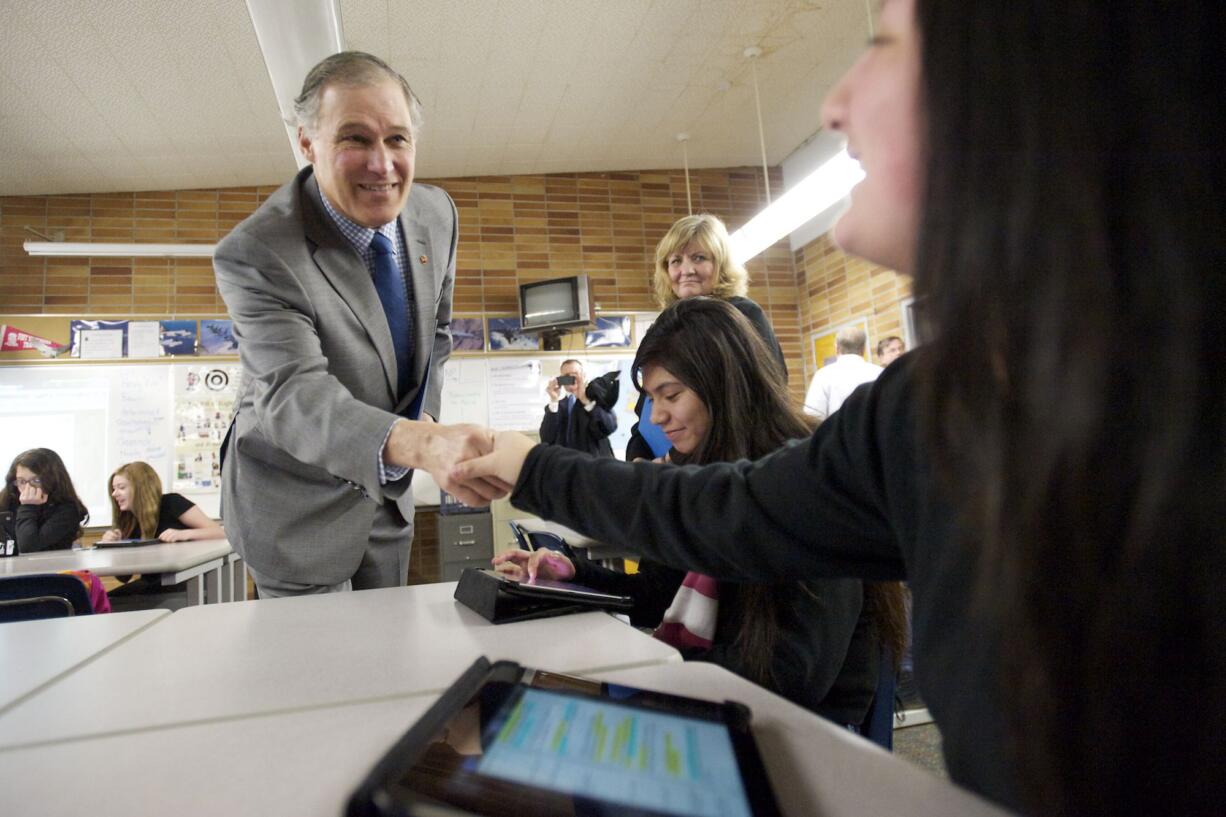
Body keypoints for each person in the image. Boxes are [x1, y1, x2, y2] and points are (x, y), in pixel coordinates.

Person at [451, 1, 1224, 814]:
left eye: (884, 49)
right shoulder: (926, 412)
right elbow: (728, 513)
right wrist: (535, 474)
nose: (834, 105)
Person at [498, 297, 906, 729]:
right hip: (731, 718)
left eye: (671, 395)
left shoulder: (797, 485)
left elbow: (787, 680)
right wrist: (576, 575)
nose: (657, 417)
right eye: (652, 398)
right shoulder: (698, 475)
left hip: (795, 743)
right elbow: (657, 594)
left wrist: (638, 693)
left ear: (724, 386)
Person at [213, 51, 496, 597]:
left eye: (397, 138)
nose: (382, 164)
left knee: (388, 654)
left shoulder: (437, 216)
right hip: (291, 505)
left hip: (386, 495)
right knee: (320, 673)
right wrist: (421, 445)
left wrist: (428, 422)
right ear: (306, 143)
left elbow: (436, 335)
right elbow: (295, 394)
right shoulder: (257, 253)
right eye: (355, 139)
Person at [626, 213, 786, 461]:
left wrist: (672, 459)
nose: (686, 270)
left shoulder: (742, 316)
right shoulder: (665, 327)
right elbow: (645, 410)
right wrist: (638, 457)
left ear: (720, 265)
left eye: (698, 258)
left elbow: (756, 403)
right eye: (675, 261)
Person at [99, 462, 224, 543]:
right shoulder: (128, 520)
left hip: (184, 579)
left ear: (141, 488)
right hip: (155, 580)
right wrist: (113, 544)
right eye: (113, 489)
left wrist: (185, 534)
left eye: (121, 488)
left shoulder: (171, 503)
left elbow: (220, 532)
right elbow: (124, 576)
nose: (114, 494)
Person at [0, 448, 89, 553]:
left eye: (36, 480)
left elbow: (27, 548)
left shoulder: (67, 510)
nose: (28, 488)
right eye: (22, 481)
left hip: (52, 568)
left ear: (52, 480)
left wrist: (28, 507)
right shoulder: (8, 500)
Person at [538, 359, 616, 457]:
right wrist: (554, 399)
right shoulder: (556, 406)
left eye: (575, 375)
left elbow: (609, 427)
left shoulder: (598, 399)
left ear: (583, 376)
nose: (571, 379)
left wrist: (585, 401)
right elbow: (546, 438)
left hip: (598, 465)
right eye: (566, 376)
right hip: (567, 466)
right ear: (561, 380)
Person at [802, 325, 883, 420]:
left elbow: (812, 416)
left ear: (836, 348)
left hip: (836, 433)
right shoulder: (879, 373)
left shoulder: (823, 375)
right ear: (863, 349)